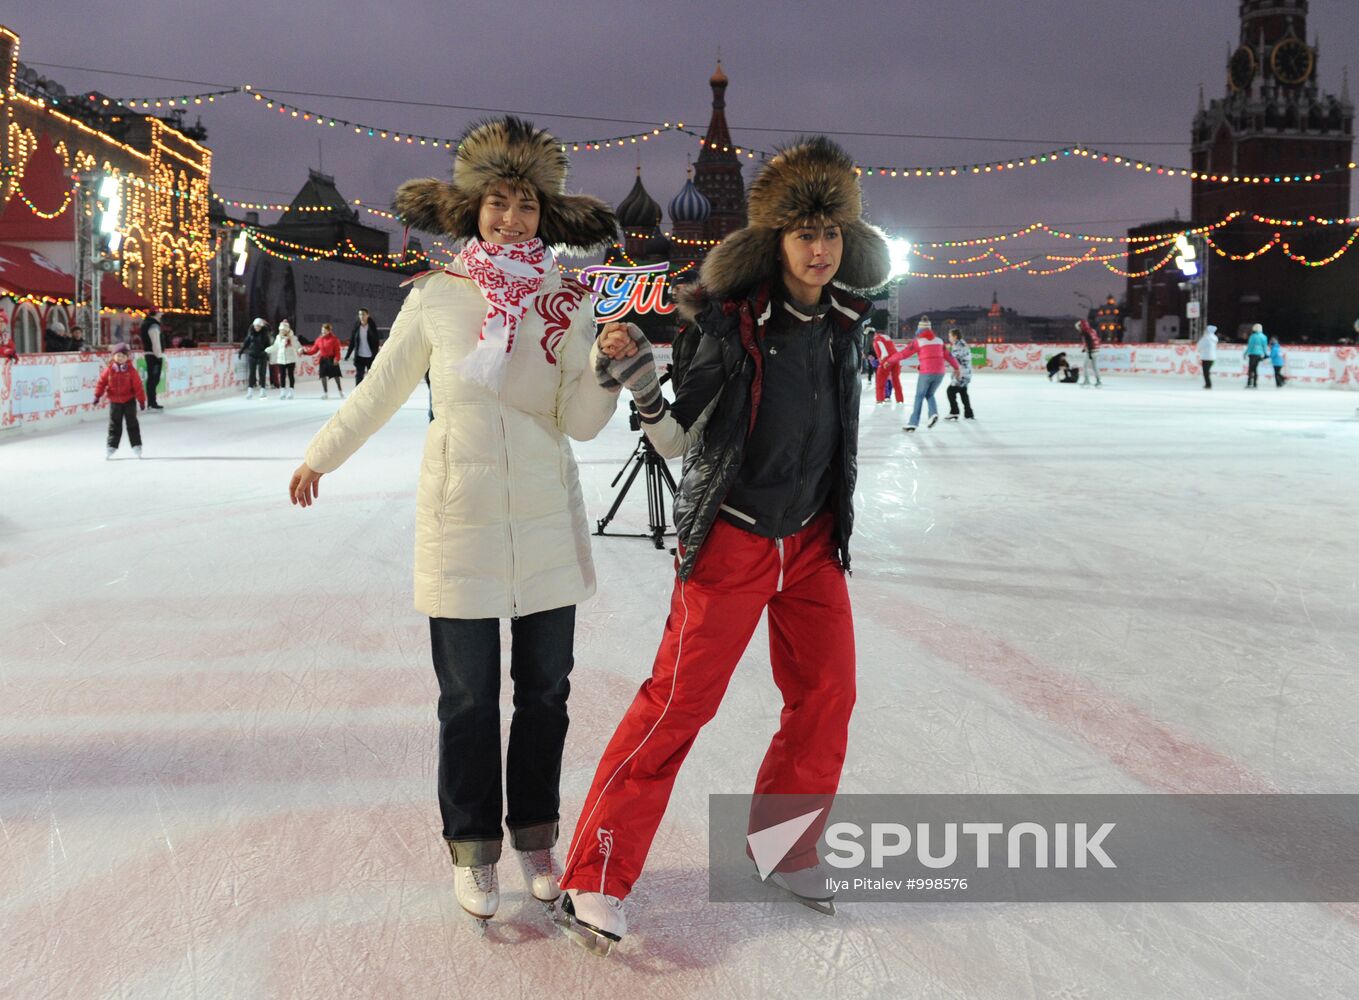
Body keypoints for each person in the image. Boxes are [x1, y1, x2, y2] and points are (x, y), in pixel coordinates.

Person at [557, 137, 890, 954]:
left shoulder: (846, 323)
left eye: (832, 233)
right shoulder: (730, 324)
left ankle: (783, 850)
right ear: (775, 242)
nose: (820, 250)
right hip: (734, 543)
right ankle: (593, 877)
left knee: (827, 696)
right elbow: (677, 444)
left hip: (811, 544)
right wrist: (639, 379)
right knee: (677, 704)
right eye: (804, 234)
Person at [288, 117, 619, 930]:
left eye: (526, 206)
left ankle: (535, 838)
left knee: (544, 694)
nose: (512, 219)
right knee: (467, 700)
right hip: (460, 523)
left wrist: (606, 369)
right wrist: (321, 455)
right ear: (472, 209)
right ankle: (473, 849)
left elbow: (578, 422)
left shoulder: (564, 301)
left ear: (545, 216)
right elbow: (379, 389)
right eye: (498, 203)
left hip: (543, 519)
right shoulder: (438, 298)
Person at [882, 316, 960, 431]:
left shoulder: (918, 342)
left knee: (919, 396)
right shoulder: (939, 341)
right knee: (929, 394)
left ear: (919, 330)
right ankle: (933, 413)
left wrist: (889, 361)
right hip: (940, 373)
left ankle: (913, 423)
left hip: (927, 373)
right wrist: (957, 368)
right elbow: (949, 356)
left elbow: (903, 354)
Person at [93, 342, 146, 459]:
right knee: (114, 425)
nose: (120, 358)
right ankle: (111, 446)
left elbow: (138, 387)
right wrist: (97, 395)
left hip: (129, 402)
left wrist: (141, 400)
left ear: (127, 357)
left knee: (132, 423)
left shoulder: (131, 371)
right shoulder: (109, 370)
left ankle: (136, 445)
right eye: (118, 355)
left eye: (123, 356)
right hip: (115, 402)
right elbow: (101, 383)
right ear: (113, 356)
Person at [301, 323, 345, 398]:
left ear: (329, 331)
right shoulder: (319, 340)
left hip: (332, 359)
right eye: (322, 330)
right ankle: (325, 393)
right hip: (323, 360)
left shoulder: (334, 339)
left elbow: (337, 351)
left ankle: (340, 391)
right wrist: (304, 352)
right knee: (323, 376)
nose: (323, 332)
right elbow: (313, 350)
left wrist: (336, 359)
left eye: (325, 330)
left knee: (336, 376)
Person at [266, 320, 302, 399]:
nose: (281, 331)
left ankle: (291, 391)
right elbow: (275, 346)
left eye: (283, 330)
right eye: (280, 330)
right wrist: (267, 350)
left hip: (291, 360)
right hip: (281, 360)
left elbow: (298, 346)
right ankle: (283, 391)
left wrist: (300, 350)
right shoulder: (278, 338)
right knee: (282, 376)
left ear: (287, 330)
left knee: (290, 375)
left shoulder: (292, 338)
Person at [945, 327, 975, 420]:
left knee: (950, 391)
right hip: (966, 373)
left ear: (955, 336)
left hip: (962, 374)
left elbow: (953, 359)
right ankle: (969, 413)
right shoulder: (962, 343)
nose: (949, 338)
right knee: (963, 392)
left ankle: (954, 412)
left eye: (950, 336)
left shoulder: (958, 346)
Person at [346, 307, 382, 385]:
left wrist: (376, 354)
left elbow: (376, 342)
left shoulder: (372, 327)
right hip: (359, 357)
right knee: (359, 376)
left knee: (371, 377)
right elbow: (352, 342)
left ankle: (371, 394)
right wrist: (348, 355)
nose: (361, 316)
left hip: (370, 357)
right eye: (360, 314)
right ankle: (358, 395)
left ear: (367, 315)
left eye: (363, 314)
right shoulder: (356, 327)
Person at [239, 318, 273, 399]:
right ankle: (250, 390)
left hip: (262, 356)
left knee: (262, 373)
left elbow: (268, 346)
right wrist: (241, 351)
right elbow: (246, 344)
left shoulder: (265, 335)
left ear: (261, 326)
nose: (256, 328)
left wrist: (266, 354)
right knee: (252, 373)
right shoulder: (251, 335)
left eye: (258, 326)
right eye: (255, 326)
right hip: (252, 355)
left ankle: (263, 389)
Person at [139, 310, 166, 409]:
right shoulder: (153, 325)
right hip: (154, 355)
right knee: (153, 379)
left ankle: (152, 402)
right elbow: (155, 342)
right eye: (160, 313)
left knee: (152, 379)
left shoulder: (147, 323)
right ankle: (152, 402)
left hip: (150, 354)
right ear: (155, 314)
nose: (161, 315)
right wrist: (158, 356)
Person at [870, 327, 903, 403]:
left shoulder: (877, 339)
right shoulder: (887, 337)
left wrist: (882, 362)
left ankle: (880, 399)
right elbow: (893, 349)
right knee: (896, 381)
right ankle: (900, 399)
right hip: (895, 359)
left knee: (880, 380)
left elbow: (883, 352)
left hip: (886, 360)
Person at [1077, 319, 1103, 387]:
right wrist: (1085, 348)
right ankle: (1098, 381)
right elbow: (1094, 340)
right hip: (1097, 350)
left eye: (1081, 326)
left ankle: (1087, 381)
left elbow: (1089, 342)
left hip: (1091, 351)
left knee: (1085, 366)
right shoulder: (1092, 330)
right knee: (1095, 367)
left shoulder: (1085, 332)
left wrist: (1089, 352)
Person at [1244, 323, 1268, 389]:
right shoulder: (1264, 337)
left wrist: (1245, 353)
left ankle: (1249, 383)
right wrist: (1265, 354)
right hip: (1259, 355)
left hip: (1252, 354)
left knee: (1251, 369)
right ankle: (1255, 384)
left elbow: (1250, 346)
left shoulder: (1252, 336)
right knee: (1255, 369)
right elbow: (1264, 347)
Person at [1197, 324, 1218, 389]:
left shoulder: (1206, 338)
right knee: (1207, 371)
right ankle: (1208, 384)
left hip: (1206, 357)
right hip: (1212, 357)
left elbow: (1200, 345)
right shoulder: (1214, 338)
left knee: (1205, 372)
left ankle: (1208, 384)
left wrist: (1200, 350)